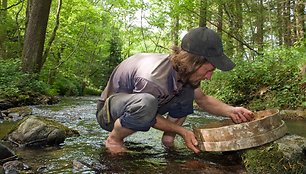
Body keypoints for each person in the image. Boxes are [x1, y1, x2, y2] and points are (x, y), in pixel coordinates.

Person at [96, 27, 254, 154]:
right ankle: (114, 140)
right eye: (209, 70)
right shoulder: (153, 78)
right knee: (146, 103)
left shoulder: (186, 72)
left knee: (187, 91)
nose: (209, 77)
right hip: (109, 114)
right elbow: (148, 113)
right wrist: (182, 131)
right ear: (194, 62)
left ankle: (168, 141)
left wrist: (231, 111)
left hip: (139, 107)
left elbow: (203, 100)